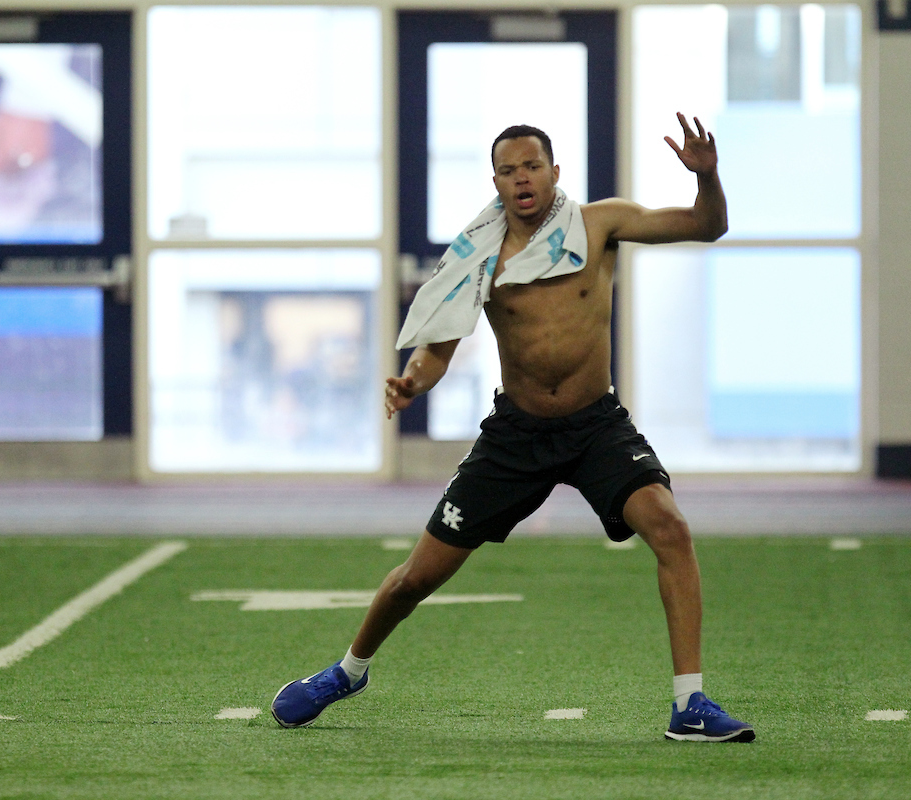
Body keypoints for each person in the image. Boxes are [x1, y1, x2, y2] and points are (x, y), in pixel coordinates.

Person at [271, 114, 755, 743]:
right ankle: (348, 671)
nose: (521, 178)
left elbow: (707, 225)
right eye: (508, 170)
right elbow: (439, 345)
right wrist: (413, 379)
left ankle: (689, 704)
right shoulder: (479, 252)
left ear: (555, 173)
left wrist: (708, 177)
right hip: (515, 436)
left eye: (532, 166)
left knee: (670, 527)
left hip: (595, 427)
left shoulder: (598, 224)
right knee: (416, 577)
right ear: (495, 182)